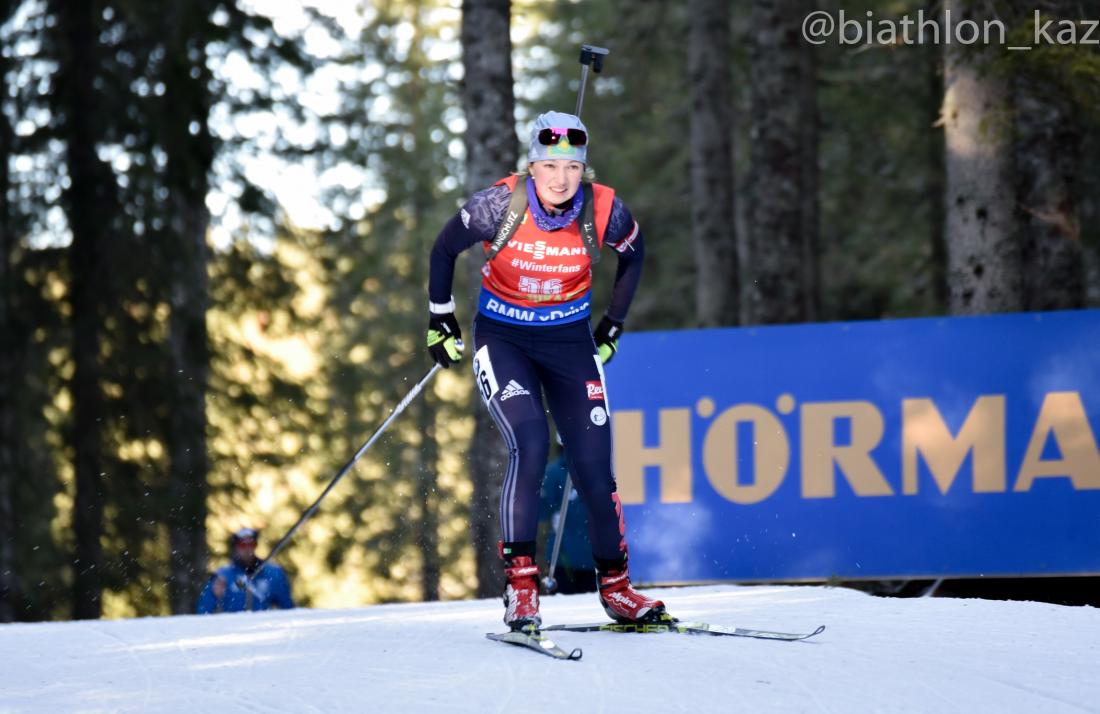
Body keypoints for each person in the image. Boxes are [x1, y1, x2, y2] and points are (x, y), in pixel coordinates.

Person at [426, 110, 666, 631]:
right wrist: (440, 319)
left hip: (569, 342)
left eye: (573, 168)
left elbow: (635, 257)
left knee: (594, 471)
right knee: (531, 443)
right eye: (551, 165)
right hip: (504, 337)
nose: (562, 179)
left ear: (585, 171)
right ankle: (522, 588)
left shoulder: (606, 211)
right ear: (532, 167)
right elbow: (444, 249)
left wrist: (613, 327)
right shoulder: (498, 204)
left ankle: (618, 590)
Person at [538, 446, 597, 595]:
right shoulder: (554, 473)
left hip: (587, 559)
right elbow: (542, 513)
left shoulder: (552, 472)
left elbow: (540, 513)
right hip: (565, 558)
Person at [196, 527, 295, 614]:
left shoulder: (273, 573)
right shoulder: (223, 576)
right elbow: (203, 610)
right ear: (236, 547)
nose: (247, 549)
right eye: (243, 545)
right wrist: (215, 595)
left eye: (251, 544)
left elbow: (288, 608)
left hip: (263, 629)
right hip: (233, 630)